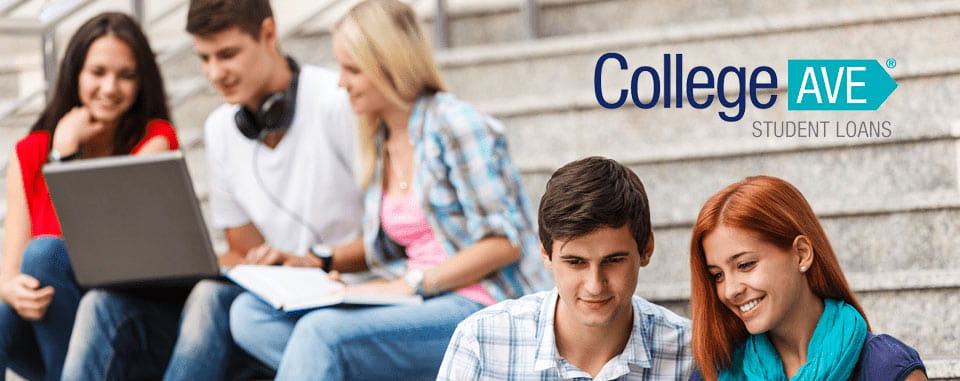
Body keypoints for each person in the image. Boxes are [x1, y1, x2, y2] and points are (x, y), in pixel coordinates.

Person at [228, 0, 552, 379]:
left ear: (390, 66)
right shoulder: (379, 137)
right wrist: (319, 262)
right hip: (415, 298)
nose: (340, 82)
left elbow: (505, 241)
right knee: (250, 316)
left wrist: (410, 284)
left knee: (322, 335)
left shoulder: (454, 124)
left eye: (352, 69)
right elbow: (397, 244)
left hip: (479, 300)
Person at [60, 0, 362, 379]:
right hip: (272, 297)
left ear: (268, 35)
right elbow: (244, 249)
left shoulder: (337, 100)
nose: (214, 73)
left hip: (343, 293)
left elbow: (392, 236)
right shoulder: (221, 128)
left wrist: (313, 259)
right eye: (204, 58)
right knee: (103, 305)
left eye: (227, 54)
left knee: (210, 297)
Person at [0, 12, 179, 381]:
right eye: (98, 72)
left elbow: (107, 255)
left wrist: (65, 157)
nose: (110, 87)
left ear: (142, 82)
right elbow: (9, 269)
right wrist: (14, 290)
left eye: (126, 75)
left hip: (120, 331)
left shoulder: (155, 143)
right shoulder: (29, 153)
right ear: (75, 74)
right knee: (3, 311)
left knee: (45, 254)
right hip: (49, 330)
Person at [438, 156, 694, 380]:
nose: (594, 285)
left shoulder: (690, 350)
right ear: (545, 253)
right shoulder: (481, 341)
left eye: (614, 260)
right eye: (575, 262)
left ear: (646, 249)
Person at [687, 176, 926, 381]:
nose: (730, 290)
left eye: (745, 265)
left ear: (801, 254)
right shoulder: (714, 373)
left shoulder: (885, 368)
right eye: (717, 275)